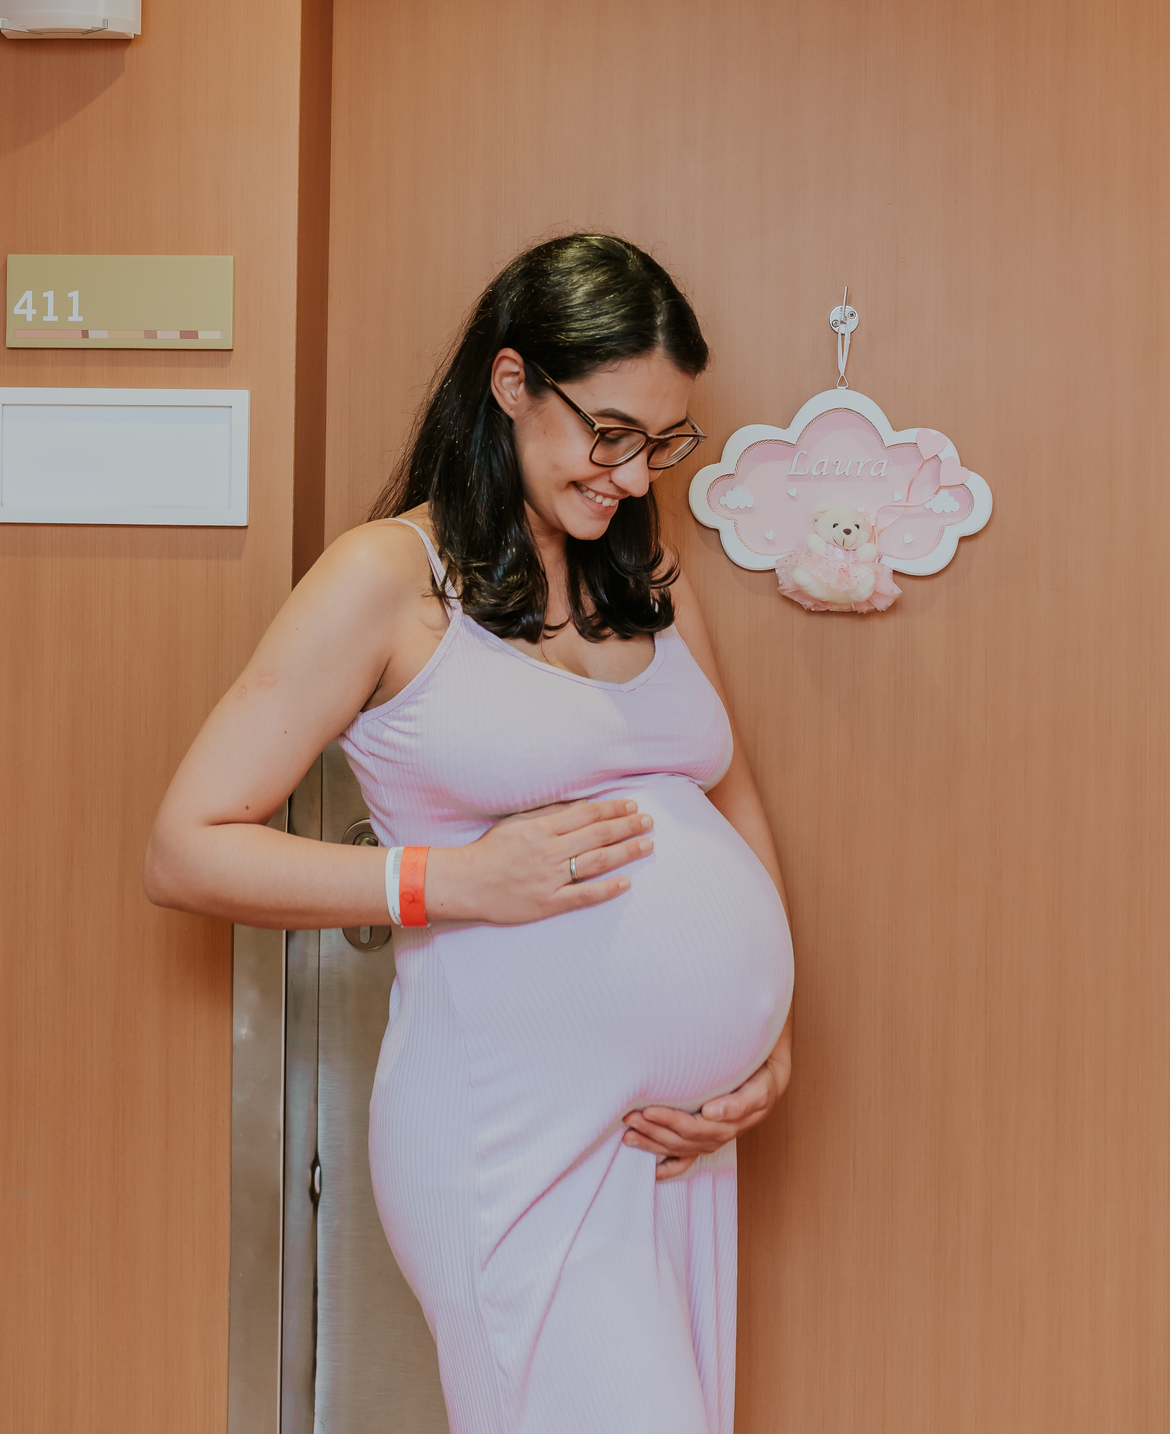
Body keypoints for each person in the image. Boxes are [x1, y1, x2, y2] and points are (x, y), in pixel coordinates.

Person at [145, 233, 794, 1434]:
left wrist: (769, 1037)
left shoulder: (645, 568)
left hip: (672, 1145)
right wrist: (452, 879)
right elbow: (185, 847)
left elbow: (728, 794)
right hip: (510, 1131)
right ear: (511, 383)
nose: (633, 476)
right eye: (609, 434)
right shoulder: (387, 580)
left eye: (662, 442)